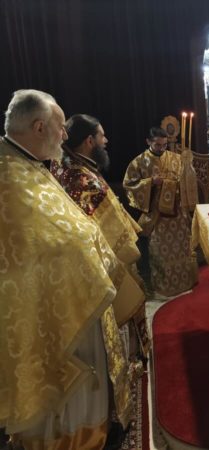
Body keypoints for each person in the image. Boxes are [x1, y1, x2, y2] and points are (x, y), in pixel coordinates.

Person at [0, 90, 134, 448]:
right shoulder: (8, 176)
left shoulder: (29, 165)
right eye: (60, 127)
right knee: (63, 400)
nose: (64, 135)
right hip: (48, 312)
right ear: (39, 127)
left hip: (72, 297)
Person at [50, 114, 148, 359]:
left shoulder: (63, 165)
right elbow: (117, 236)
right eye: (102, 136)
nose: (106, 140)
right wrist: (132, 243)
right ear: (89, 141)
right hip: (104, 265)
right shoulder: (84, 180)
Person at [123, 127, 198, 298]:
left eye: (165, 144)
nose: (162, 148)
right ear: (148, 142)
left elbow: (186, 181)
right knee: (160, 253)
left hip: (177, 215)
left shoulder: (176, 158)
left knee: (182, 249)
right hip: (157, 217)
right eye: (158, 145)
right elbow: (129, 186)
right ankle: (164, 286)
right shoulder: (138, 162)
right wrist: (150, 182)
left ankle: (184, 282)